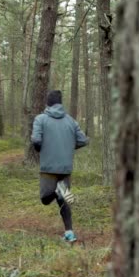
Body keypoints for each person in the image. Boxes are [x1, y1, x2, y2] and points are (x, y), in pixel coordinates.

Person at [31, 90, 89, 242]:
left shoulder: (40, 119)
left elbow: (36, 140)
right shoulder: (71, 120)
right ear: (60, 103)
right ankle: (69, 233)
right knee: (63, 200)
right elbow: (83, 140)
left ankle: (57, 191)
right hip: (65, 167)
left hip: (48, 167)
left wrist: (40, 150)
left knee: (45, 198)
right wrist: (68, 147)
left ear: (48, 104)